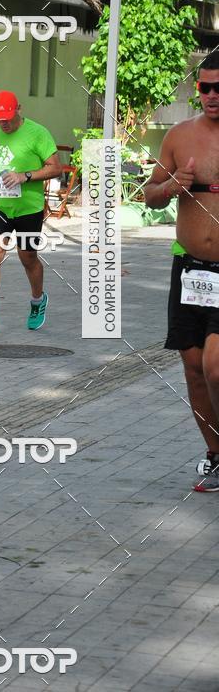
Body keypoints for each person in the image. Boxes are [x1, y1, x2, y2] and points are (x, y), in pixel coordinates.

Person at [144, 49, 219, 492]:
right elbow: (149, 195)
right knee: (192, 368)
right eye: (205, 87)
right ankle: (214, 454)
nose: (211, 96)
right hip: (190, 271)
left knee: (215, 368)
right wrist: (172, 186)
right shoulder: (178, 136)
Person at [0, 90, 61, 339]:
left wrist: (25, 176)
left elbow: (56, 168)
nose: (4, 124)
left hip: (28, 208)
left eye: (8, 119)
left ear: (18, 109)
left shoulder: (38, 133)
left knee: (27, 257)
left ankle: (37, 300)